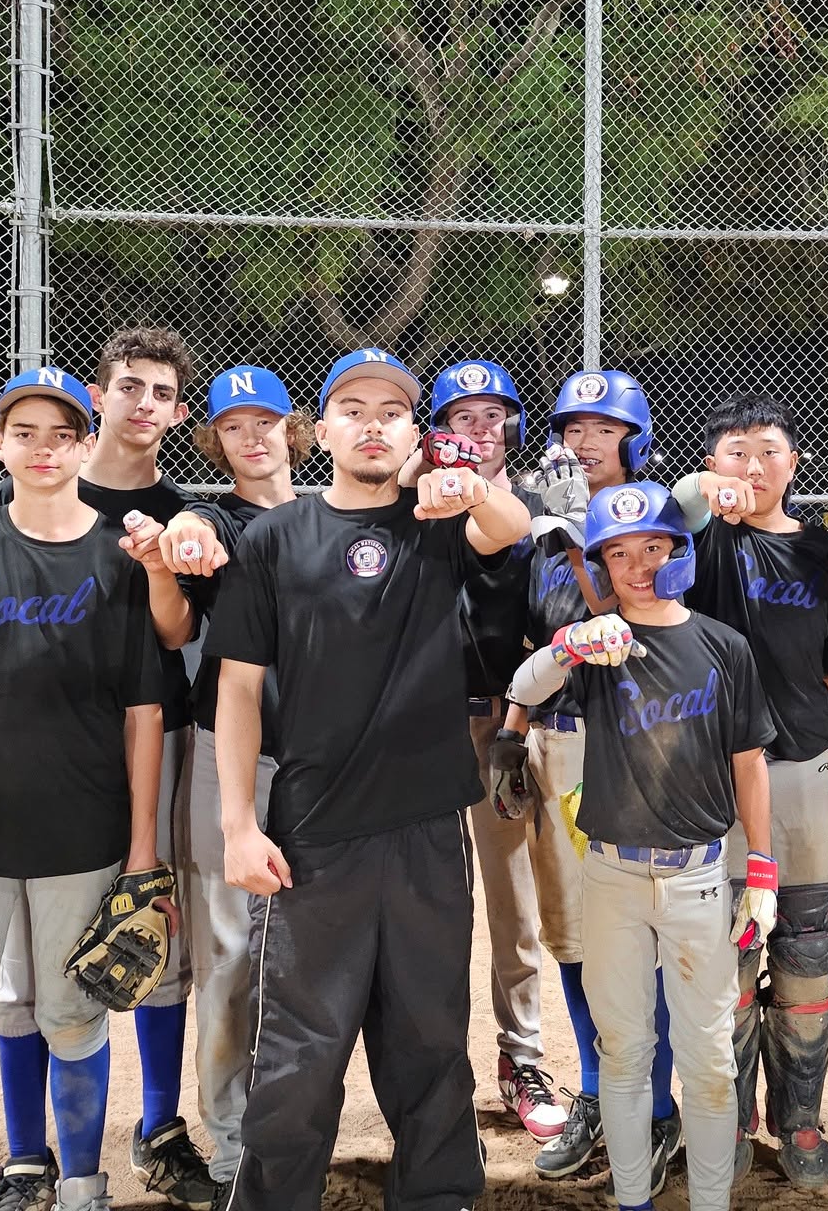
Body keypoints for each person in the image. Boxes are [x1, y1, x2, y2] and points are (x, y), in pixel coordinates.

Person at [204, 347, 531, 1211]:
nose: (374, 423)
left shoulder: (437, 524)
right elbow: (236, 686)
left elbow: (512, 530)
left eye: (392, 411)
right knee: (298, 1061)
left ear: (412, 431)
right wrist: (239, 825)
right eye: (354, 408)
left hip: (426, 830)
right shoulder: (275, 538)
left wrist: (467, 481)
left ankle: (440, 1196)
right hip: (313, 835)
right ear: (320, 431)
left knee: (429, 1042)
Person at [0, 367, 167, 1211]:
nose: (43, 449)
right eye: (25, 433)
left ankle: (83, 1183)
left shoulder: (118, 558)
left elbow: (144, 712)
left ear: (87, 444)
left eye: (61, 434)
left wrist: (143, 849)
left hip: (81, 828)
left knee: (73, 1014)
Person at [0, 327, 226, 1211]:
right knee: (27, 958)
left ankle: (159, 1128)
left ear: (179, 411)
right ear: (100, 396)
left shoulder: (185, 509)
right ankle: (26, 1154)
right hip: (44, 752)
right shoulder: (46, 490)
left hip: (154, 743)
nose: (145, 404)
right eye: (130, 386)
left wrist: (170, 548)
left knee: (153, 931)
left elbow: (178, 636)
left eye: (162, 392)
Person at [503, 481, 777, 1211]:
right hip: (614, 879)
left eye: (653, 546)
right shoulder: (597, 648)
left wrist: (763, 869)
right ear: (599, 564)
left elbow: (749, 762)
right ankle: (633, 1202)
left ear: (680, 549)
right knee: (623, 1055)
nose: (638, 565)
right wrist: (568, 645)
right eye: (618, 553)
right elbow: (523, 693)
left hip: (699, 877)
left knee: (711, 1061)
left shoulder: (723, 647)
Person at [114, 365, 310, 1198]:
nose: (255, 437)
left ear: (298, 432)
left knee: (314, 956)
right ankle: (230, 1141)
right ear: (215, 439)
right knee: (229, 955)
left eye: (268, 422)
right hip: (233, 757)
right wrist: (186, 532)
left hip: (325, 761)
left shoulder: (334, 514)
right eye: (235, 426)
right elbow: (191, 539)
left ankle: (303, 1125)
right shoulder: (213, 518)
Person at [494, 370, 684, 1184]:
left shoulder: (662, 522)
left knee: (646, 935)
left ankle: (663, 1107)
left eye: (604, 429)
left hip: (641, 743)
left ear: (634, 439)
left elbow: (632, 617)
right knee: (572, 936)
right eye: (573, 427)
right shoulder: (537, 530)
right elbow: (533, 640)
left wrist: (579, 532)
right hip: (559, 741)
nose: (583, 441)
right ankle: (603, 1095)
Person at [670, 395, 828, 1187]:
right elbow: (674, 506)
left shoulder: (823, 551)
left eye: (769, 451)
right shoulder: (696, 538)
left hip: (800, 767)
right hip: (710, 773)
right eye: (734, 451)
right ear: (714, 461)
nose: (752, 466)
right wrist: (700, 490)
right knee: (723, 945)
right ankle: (731, 1116)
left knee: (805, 942)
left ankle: (801, 1118)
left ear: (794, 463)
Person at [419, 359, 568, 1140]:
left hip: (504, 729)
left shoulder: (539, 508)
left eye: (491, 417)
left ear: (510, 424)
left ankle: (523, 1057)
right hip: (420, 729)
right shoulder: (411, 502)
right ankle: (438, 1071)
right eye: (462, 418)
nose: (478, 431)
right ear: (438, 429)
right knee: (432, 909)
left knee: (514, 907)